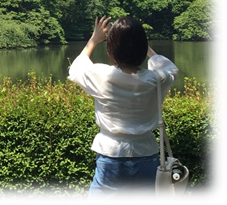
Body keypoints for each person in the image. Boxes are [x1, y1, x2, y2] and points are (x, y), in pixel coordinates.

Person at [68, 16, 179, 204]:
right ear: (142, 49)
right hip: (147, 155)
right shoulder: (155, 80)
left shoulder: (102, 75)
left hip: (112, 155)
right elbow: (171, 68)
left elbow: (75, 71)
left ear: (111, 50)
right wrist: (145, 47)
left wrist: (93, 40)